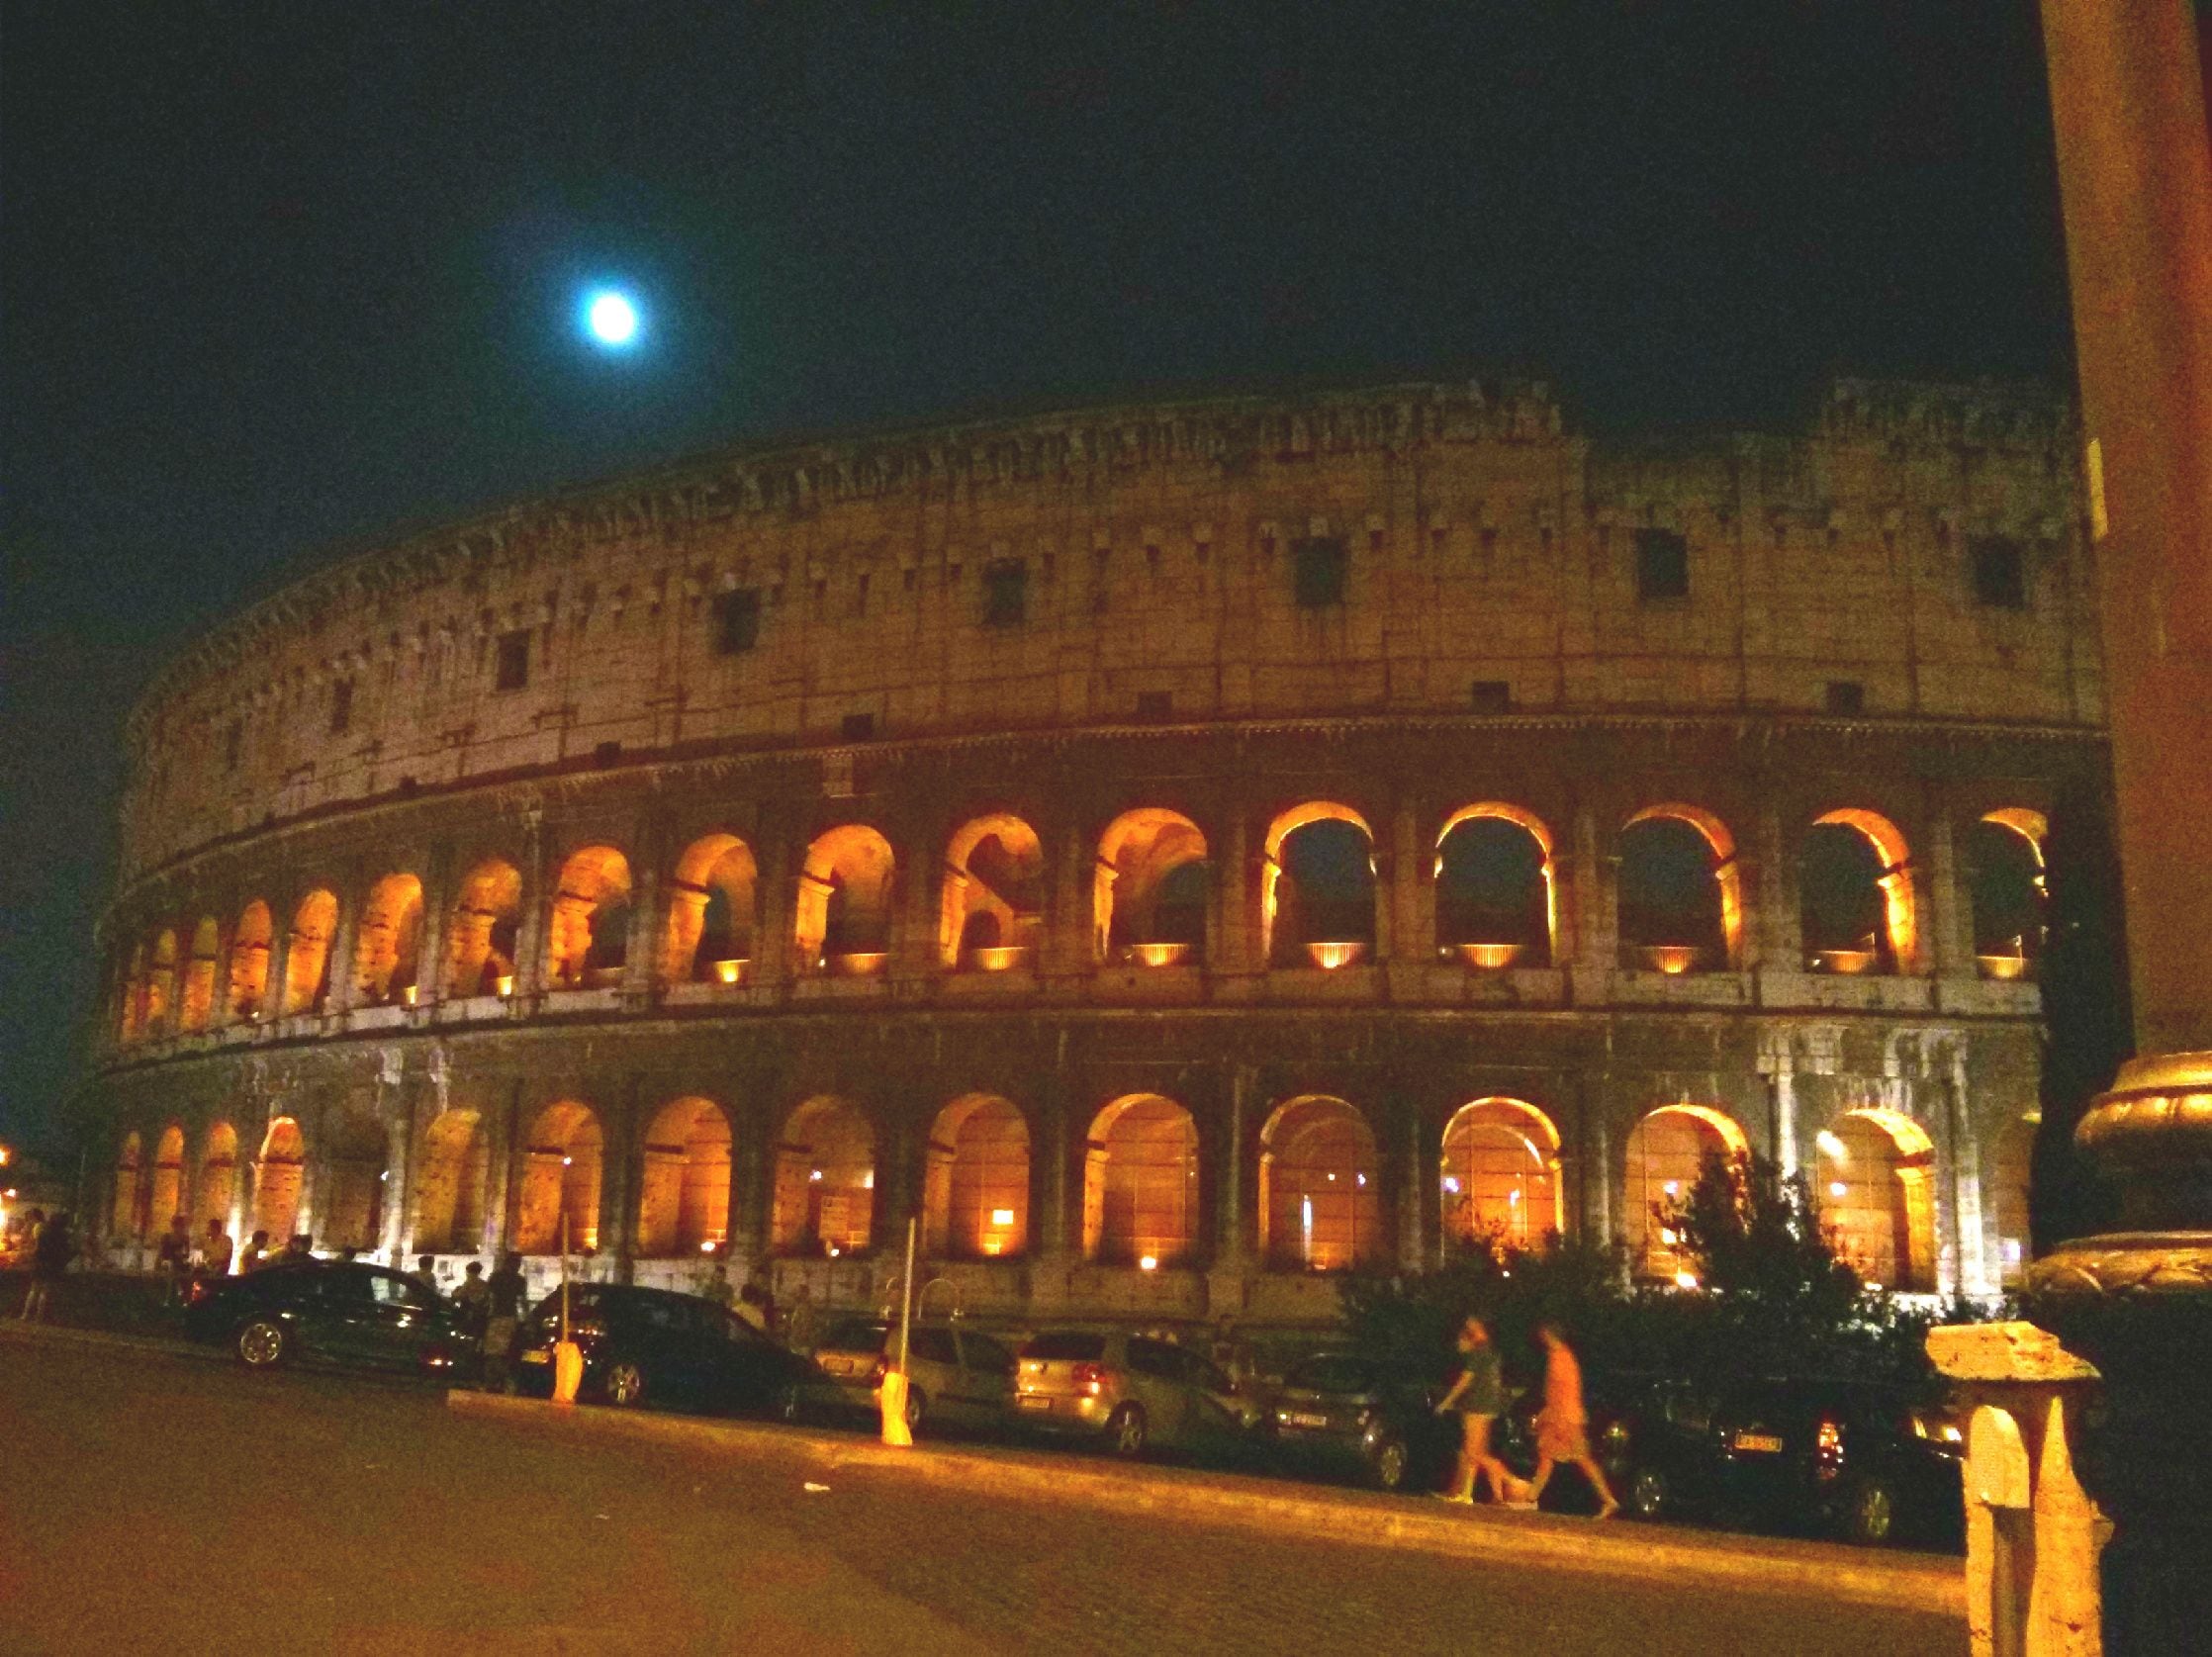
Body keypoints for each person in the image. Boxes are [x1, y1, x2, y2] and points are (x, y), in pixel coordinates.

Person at [1521, 1323, 1618, 1519]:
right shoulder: (1564, 1356)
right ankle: (1530, 1499)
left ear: (1549, 1335)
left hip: (1564, 1417)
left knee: (1581, 1458)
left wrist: (1551, 1417)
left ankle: (1609, 1499)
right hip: (1564, 1414)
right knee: (1547, 1455)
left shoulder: (1560, 1358)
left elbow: (1559, 1392)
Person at [1431, 1315, 1517, 1504]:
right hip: (1487, 1405)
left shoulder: (1480, 1352)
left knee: (1474, 1453)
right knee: (1474, 1451)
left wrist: (1446, 1403)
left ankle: (1510, 1479)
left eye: (1471, 1323)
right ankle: (1468, 1493)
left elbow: (1465, 1381)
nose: (1467, 1325)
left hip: (1478, 1405)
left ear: (1479, 1326)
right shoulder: (1491, 1351)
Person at [481, 1251, 526, 1393]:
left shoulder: (496, 1277)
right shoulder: (519, 1280)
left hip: (496, 1317)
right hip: (510, 1318)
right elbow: (522, 1301)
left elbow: (488, 1297)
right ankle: (503, 1381)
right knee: (503, 1352)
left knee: (492, 1352)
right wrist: (526, 1318)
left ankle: (495, 1381)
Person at [22, 1209, 72, 1322]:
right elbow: (66, 1251)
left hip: (40, 1263)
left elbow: (37, 1249)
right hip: (52, 1264)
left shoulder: (43, 1232)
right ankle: (39, 1317)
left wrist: (30, 1256)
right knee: (45, 1291)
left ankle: (25, 1314)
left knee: (34, 1289)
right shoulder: (63, 1235)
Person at [156, 1214, 193, 1302]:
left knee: (184, 1269)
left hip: (178, 1263)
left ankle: (180, 1294)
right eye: (179, 1226)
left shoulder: (185, 1238)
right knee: (171, 1267)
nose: (180, 1229)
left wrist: (182, 1255)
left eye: (182, 1226)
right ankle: (175, 1292)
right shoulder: (166, 1237)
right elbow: (161, 1253)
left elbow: (187, 1255)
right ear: (174, 1226)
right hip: (166, 1262)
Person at [197, 1218, 233, 1285]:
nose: (206, 1230)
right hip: (209, 1268)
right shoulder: (207, 1241)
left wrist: (215, 1262)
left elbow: (227, 1257)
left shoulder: (226, 1240)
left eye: (208, 1228)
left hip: (221, 1268)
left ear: (214, 1229)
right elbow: (205, 1256)